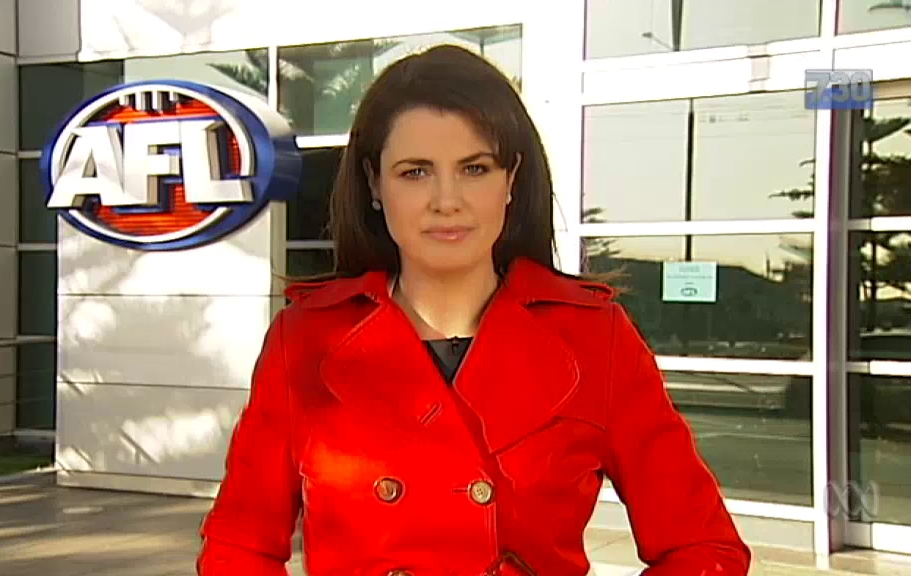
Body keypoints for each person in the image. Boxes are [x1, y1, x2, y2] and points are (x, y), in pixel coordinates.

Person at [197, 44, 751, 576]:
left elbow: (705, 548)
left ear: (511, 179)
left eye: (475, 168)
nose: (447, 201)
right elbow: (238, 547)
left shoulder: (592, 336)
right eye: (415, 171)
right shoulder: (307, 337)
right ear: (374, 184)